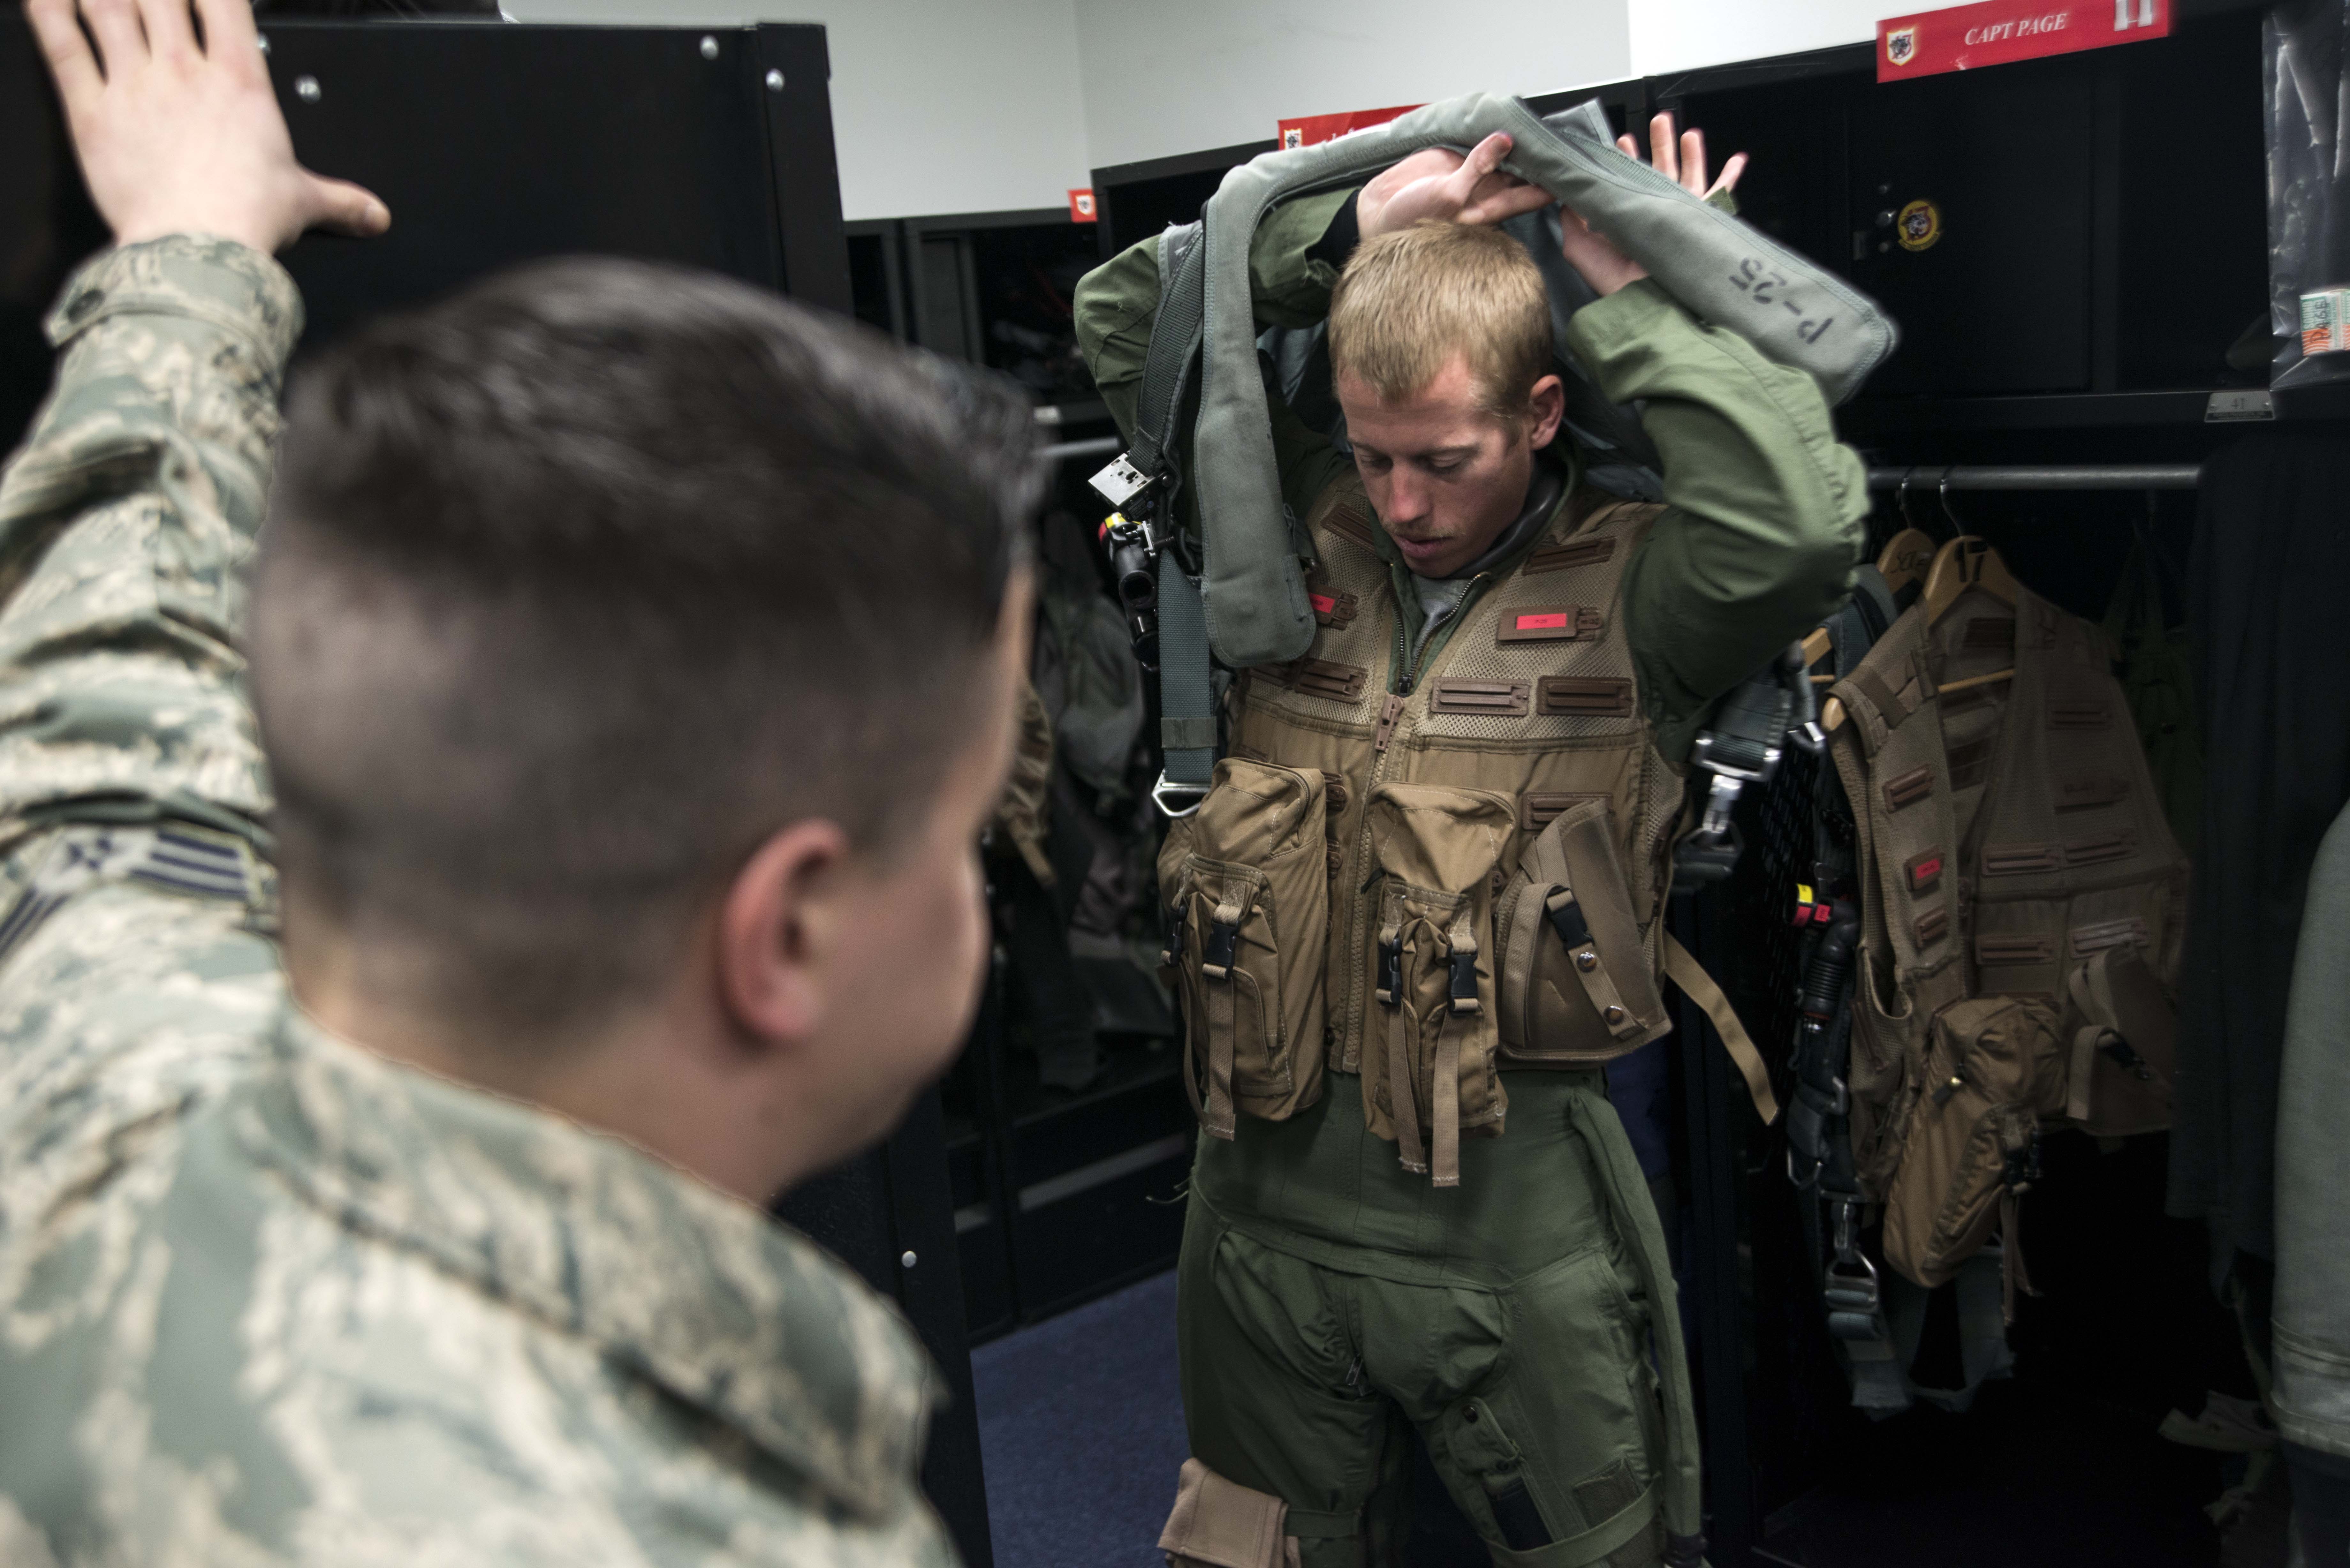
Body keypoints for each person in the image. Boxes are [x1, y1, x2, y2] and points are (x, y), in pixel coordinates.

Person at [0, 0, 1034, 1560]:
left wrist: (191, 258)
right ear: (789, 934)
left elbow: (101, 702)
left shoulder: (96, 1072)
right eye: (963, 826)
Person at [1075, 122, 1866, 1565]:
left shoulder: (1648, 592)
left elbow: (1799, 522)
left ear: (1544, 410)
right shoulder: (1289, 531)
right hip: (1255, 1220)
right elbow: (1124, 315)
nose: (1401, 506)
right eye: (1374, 460)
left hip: (1503, 1227)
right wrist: (1342, 233)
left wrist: (1638, 287)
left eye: (1441, 460)